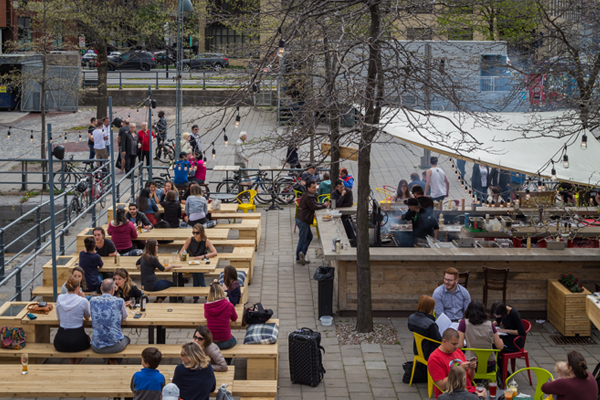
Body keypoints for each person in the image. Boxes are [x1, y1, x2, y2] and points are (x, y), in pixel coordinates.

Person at [428, 328, 477, 398]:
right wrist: (460, 369)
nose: (457, 346)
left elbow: (470, 379)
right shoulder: (435, 358)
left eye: (457, 343)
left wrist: (472, 368)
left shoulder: (458, 351)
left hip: (468, 392)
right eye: (454, 344)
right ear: (444, 341)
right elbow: (441, 386)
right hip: (451, 395)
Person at [457, 300, 504, 372]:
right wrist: (500, 340)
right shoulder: (490, 324)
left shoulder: (463, 323)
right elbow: (500, 346)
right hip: (489, 365)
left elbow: (459, 345)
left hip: (470, 364)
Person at [90, 279, 130, 359]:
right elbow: (124, 317)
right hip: (115, 346)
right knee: (127, 339)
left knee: (97, 337)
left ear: (101, 289)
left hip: (97, 347)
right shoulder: (119, 301)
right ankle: (114, 361)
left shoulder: (93, 301)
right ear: (113, 289)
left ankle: (109, 360)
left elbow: (92, 316)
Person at [54, 276, 91, 363]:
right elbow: (87, 316)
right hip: (78, 339)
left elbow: (59, 317)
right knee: (86, 340)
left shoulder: (59, 298)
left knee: (69, 346)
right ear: (78, 288)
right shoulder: (82, 301)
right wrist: (84, 298)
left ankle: (72, 364)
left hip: (61, 340)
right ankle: (76, 364)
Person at [178, 223, 217, 302]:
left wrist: (202, 256)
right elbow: (181, 251)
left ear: (201, 233)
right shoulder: (190, 239)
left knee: (197, 273)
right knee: (197, 273)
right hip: (191, 263)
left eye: (197, 233)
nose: (195, 234)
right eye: (193, 232)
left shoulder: (206, 241)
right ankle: (205, 294)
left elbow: (214, 252)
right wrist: (181, 256)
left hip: (200, 263)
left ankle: (197, 297)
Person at [296, 179, 330, 265]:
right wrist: (324, 205)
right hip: (303, 220)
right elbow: (313, 206)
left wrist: (323, 205)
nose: (315, 189)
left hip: (303, 219)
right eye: (313, 187)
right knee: (303, 239)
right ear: (308, 188)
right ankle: (298, 257)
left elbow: (315, 203)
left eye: (315, 187)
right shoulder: (308, 196)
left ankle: (302, 254)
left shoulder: (309, 195)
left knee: (309, 237)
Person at [204, 280, 238, 350]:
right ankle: (227, 360)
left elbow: (206, 316)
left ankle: (215, 358)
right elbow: (235, 318)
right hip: (225, 341)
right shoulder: (229, 305)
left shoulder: (207, 306)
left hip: (211, 341)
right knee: (234, 340)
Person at [408, 295, 442, 360]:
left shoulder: (411, 318)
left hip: (418, 350)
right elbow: (438, 341)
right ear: (430, 308)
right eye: (433, 308)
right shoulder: (430, 324)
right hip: (429, 353)